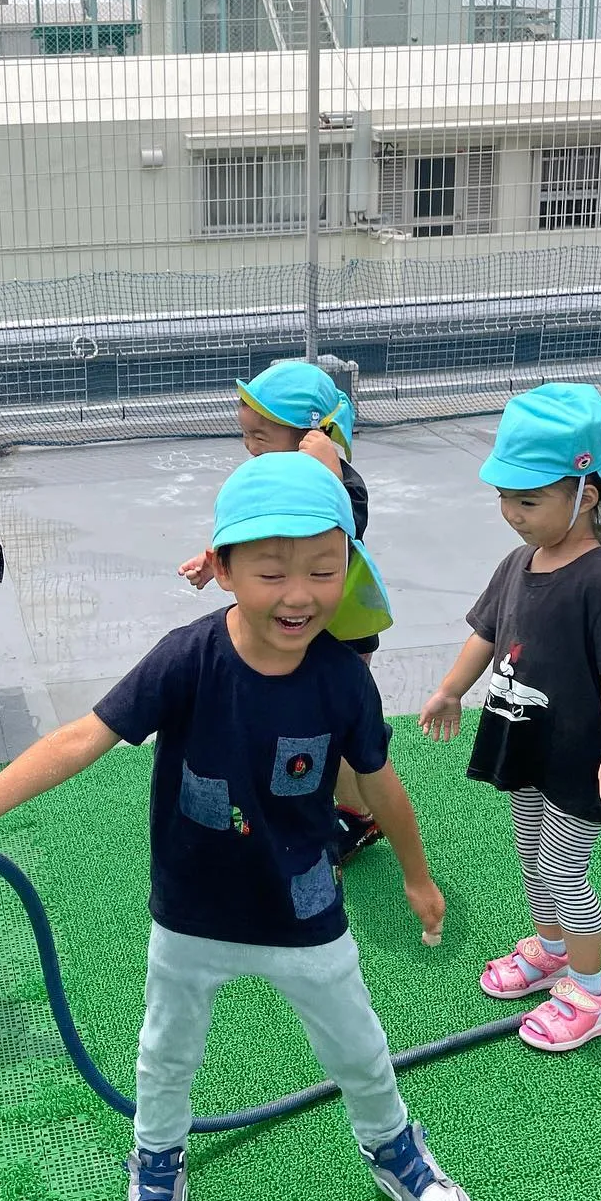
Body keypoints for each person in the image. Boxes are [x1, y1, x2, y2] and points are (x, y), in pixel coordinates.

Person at [0, 453, 472, 1201]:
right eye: (272, 572)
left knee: (359, 1048)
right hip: (194, 912)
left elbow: (379, 783)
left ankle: (392, 1148)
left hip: (304, 909)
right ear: (223, 568)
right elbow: (85, 736)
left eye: (323, 568)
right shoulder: (188, 659)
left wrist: (417, 875)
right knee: (166, 1053)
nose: (301, 594)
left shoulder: (343, 678)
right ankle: (157, 1159)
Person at [418, 383, 601, 1053]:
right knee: (530, 857)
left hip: (575, 753)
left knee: (564, 872)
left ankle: (591, 989)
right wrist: (451, 689)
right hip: (523, 739)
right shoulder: (519, 563)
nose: (512, 514)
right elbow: (486, 632)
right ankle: (551, 949)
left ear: (587, 493)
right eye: (504, 498)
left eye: (528, 500)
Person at [178, 361, 387, 863]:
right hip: (288, 633)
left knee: (337, 734)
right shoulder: (265, 477)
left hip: (336, 634)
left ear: (309, 436)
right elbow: (250, 535)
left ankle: (359, 815)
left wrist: (327, 470)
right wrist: (216, 562)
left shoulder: (339, 482)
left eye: (261, 435)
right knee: (292, 726)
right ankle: (302, 802)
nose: (250, 446)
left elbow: (348, 531)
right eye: (245, 434)